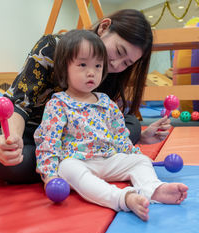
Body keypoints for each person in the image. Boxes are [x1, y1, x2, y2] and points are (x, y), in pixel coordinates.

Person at [0, 9, 171, 184]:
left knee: (132, 125)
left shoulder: (111, 73)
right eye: (118, 51)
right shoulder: (52, 47)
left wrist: (141, 137)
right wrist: (13, 140)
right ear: (104, 27)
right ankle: (72, 167)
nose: (116, 64)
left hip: (81, 143)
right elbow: (19, 104)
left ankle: (71, 168)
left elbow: (107, 122)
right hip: (36, 133)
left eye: (126, 63)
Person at [34, 29, 188, 221]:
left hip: (108, 159)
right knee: (66, 168)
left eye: (98, 66)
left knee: (141, 161)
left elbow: (120, 135)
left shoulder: (106, 101)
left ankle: (153, 189)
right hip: (78, 161)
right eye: (82, 65)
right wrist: (49, 175)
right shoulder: (58, 103)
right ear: (64, 68)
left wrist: (133, 155)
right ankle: (122, 198)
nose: (91, 72)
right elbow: (48, 141)